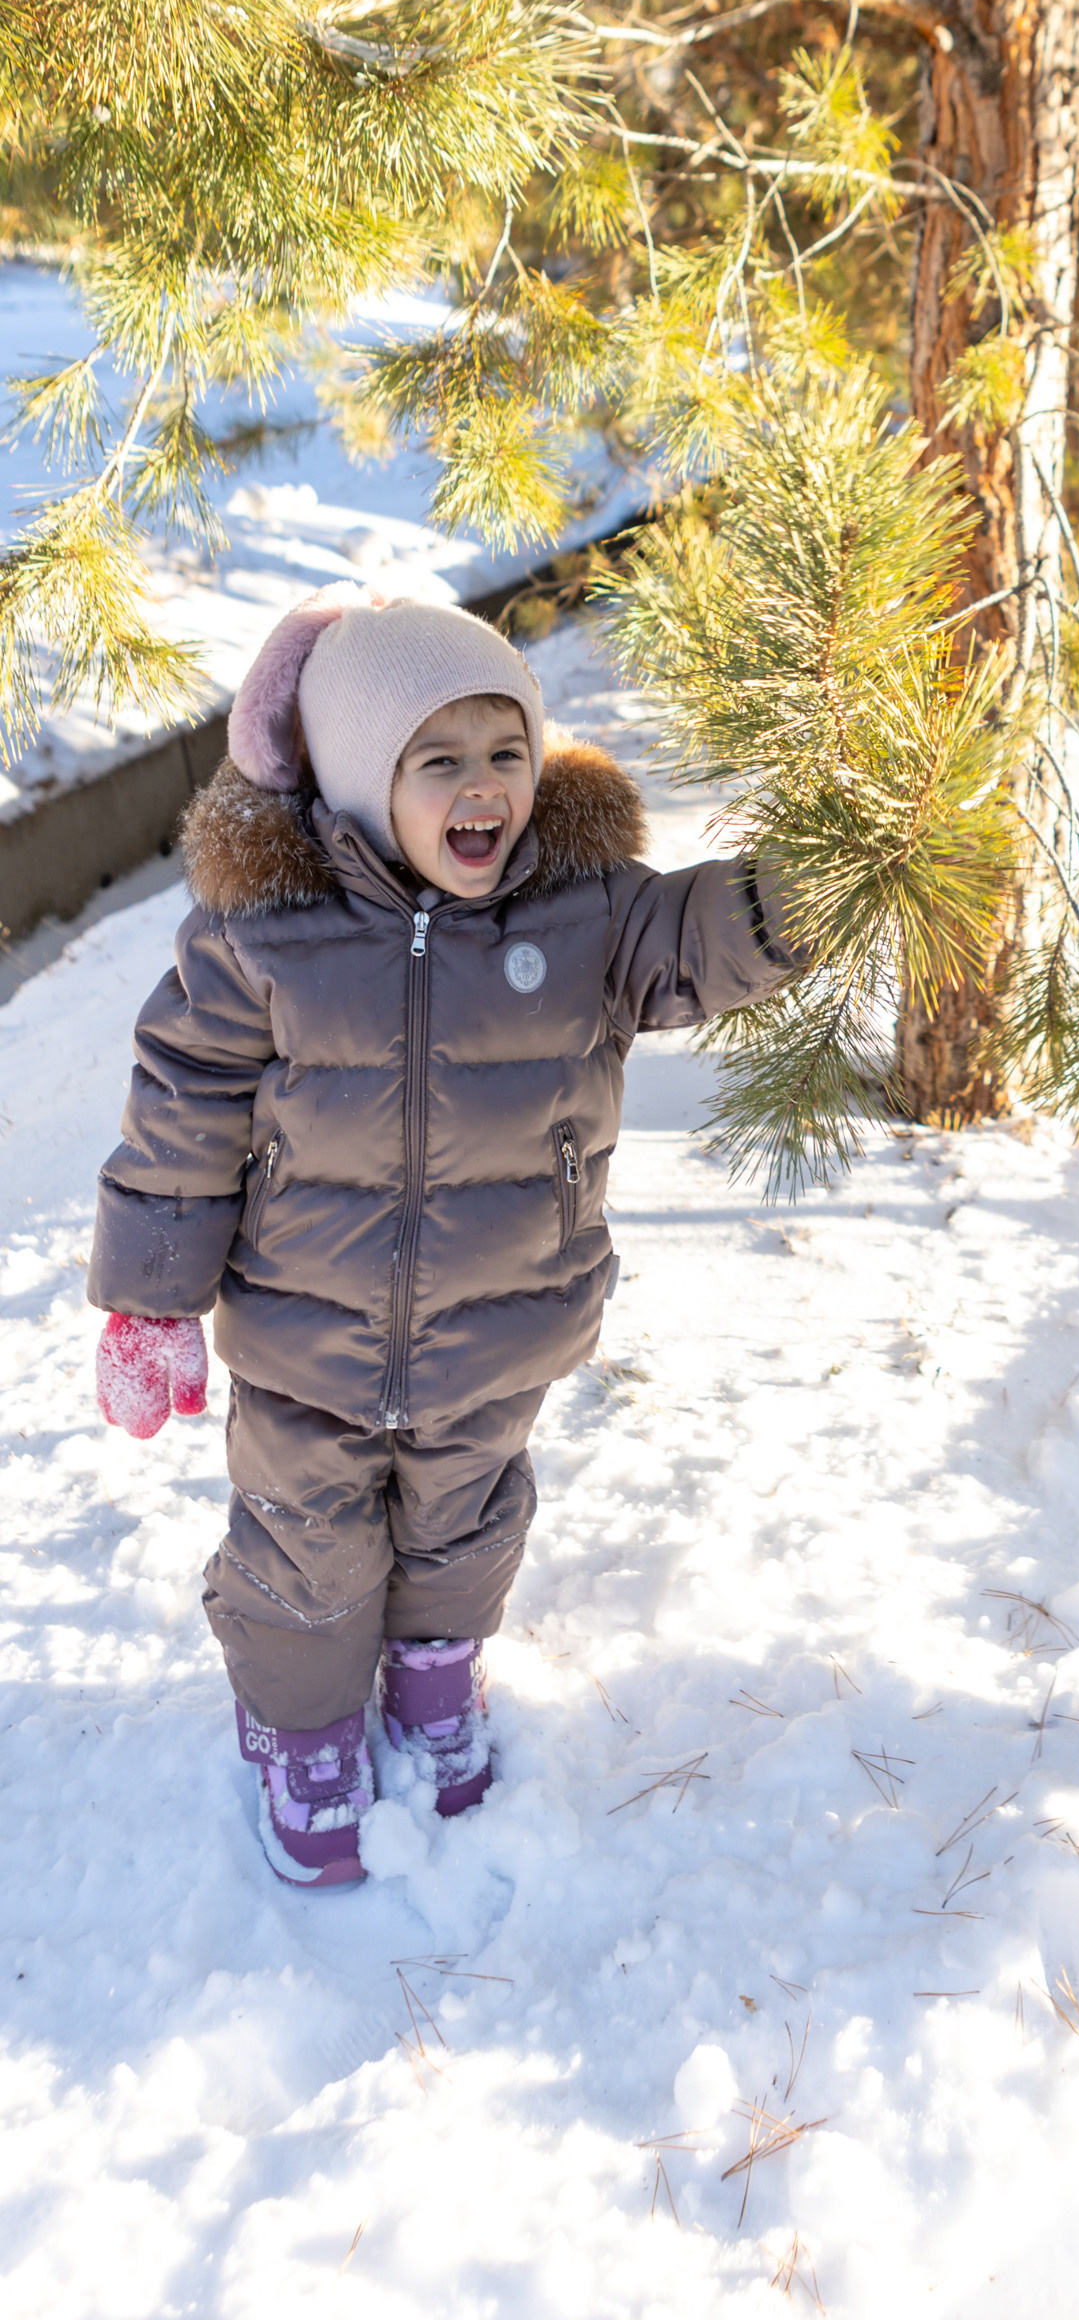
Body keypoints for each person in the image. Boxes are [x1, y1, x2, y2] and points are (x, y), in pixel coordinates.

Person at [89, 588, 798, 1889]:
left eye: (506, 751)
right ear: (363, 787)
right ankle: (304, 1726)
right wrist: (150, 1299)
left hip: (501, 1323)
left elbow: (700, 937)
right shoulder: (266, 936)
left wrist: (806, 890)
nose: (485, 787)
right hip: (304, 1335)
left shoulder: (585, 915)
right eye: (440, 761)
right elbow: (182, 1106)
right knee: (304, 1541)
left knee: (465, 1520)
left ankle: (433, 1671)